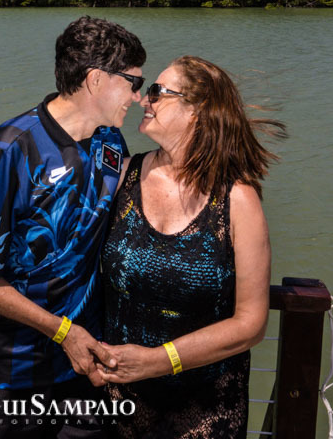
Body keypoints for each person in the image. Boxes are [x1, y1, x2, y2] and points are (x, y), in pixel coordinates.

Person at [0, 16, 147, 438]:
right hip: (13, 370)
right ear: (96, 80)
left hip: (84, 363)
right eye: (132, 82)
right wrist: (62, 331)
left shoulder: (110, 141)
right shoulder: (15, 146)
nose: (139, 97)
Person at [96, 55, 284, 438]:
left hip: (205, 408)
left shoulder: (237, 200)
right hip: (117, 396)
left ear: (197, 110)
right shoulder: (121, 177)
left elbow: (251, 323)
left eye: (156, 92)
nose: (142, 100)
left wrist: (156, 361)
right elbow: (63, 241)